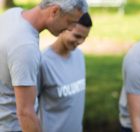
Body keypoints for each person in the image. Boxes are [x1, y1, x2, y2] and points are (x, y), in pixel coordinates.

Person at [0, 0, 87, 131]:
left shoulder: (12, 14)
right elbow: (25, 113)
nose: (70, 28)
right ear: (55, 11)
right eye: (70, 22)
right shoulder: (26, 47)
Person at [38, 12, 92, 132]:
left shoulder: (79, 56)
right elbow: (28, 108)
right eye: (77, 36)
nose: (80, 42)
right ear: (65, 28)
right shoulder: (43, 62)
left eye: (85, 38)